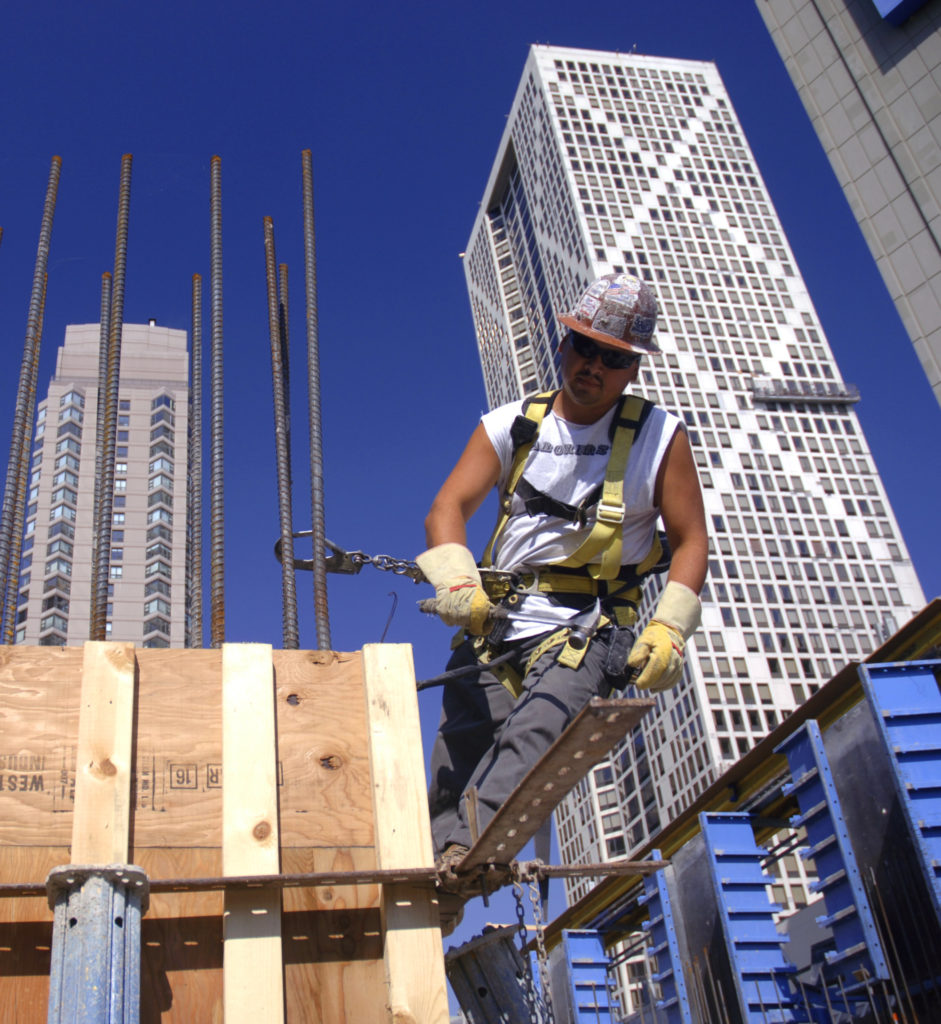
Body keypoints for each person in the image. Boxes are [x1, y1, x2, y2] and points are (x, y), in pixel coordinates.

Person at [417, 272, 708, 879]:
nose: (594, 366)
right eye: (585, 347)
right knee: (454, 763)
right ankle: (434, 879)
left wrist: (670, 628)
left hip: (587, 626)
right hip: (498, 624)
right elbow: (447, 508)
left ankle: (467, 855)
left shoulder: (660, 439)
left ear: (633, 370)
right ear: (563, 344)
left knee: (539, 727)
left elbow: (690, 539)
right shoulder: (512, 425)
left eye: (614, 358)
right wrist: (457, 581)